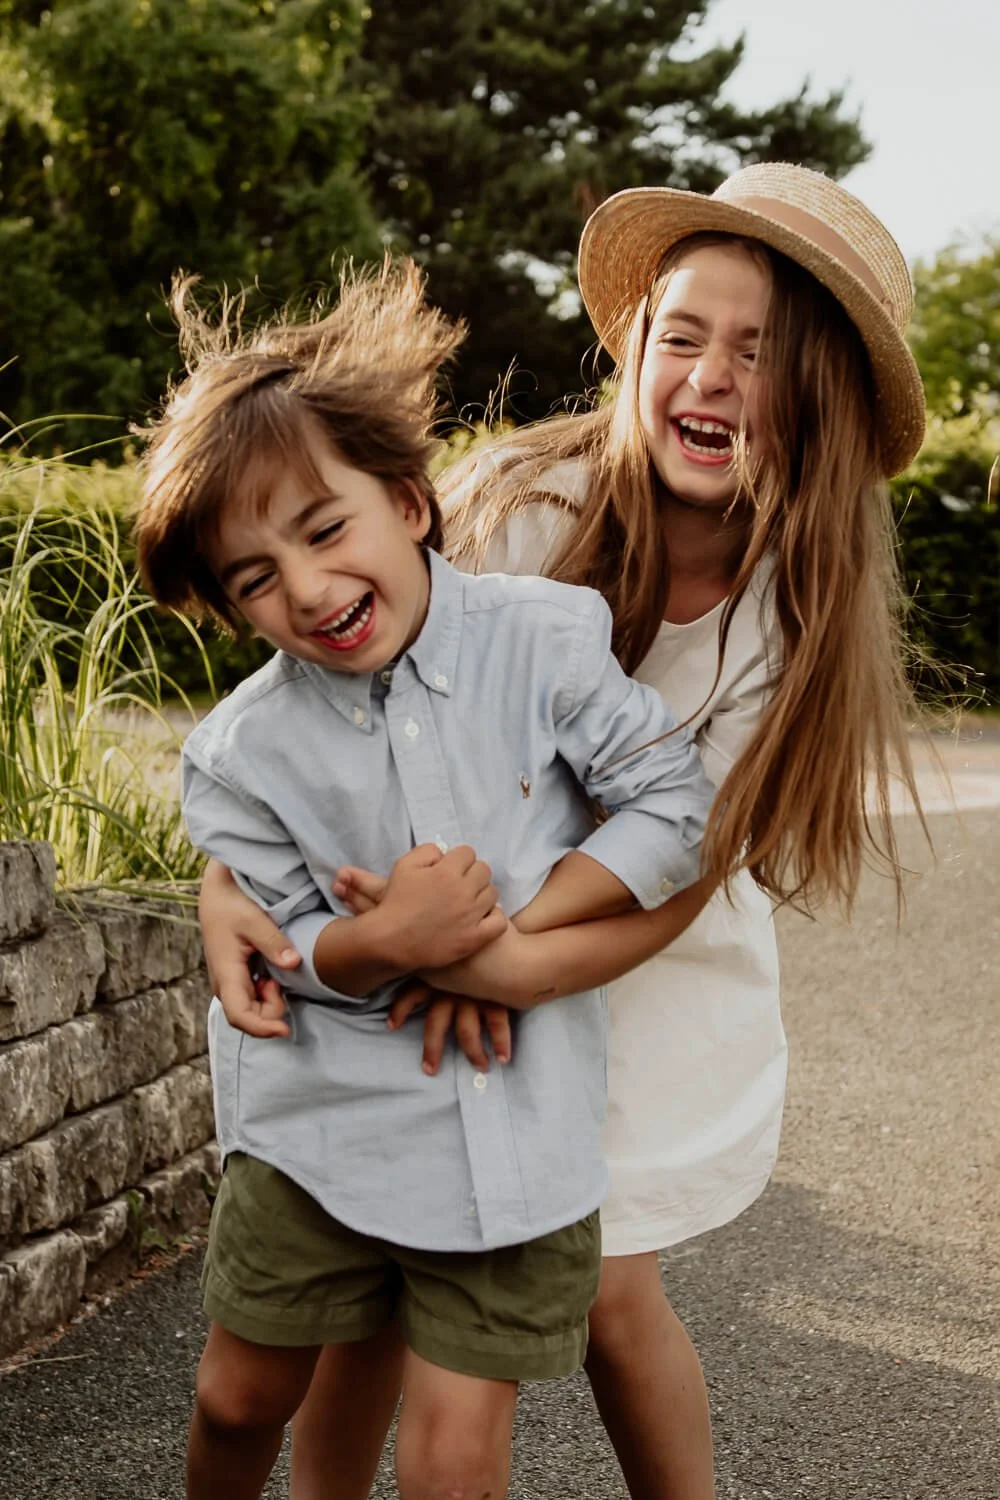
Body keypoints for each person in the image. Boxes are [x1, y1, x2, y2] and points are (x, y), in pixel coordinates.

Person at [198, 163, 929, 1500]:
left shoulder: (793, 612)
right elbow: (348, 706)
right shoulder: (528, 511)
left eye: (754, 354)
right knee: (386, 1249)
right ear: (637, 349)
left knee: (606, 1287)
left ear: (814, 397)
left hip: (634, 952)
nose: (708, 375)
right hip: (441, 894)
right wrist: (249, 878)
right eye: (683, 334)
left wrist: (512, 962)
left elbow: (692, 862)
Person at [135, 258, 720, 1500]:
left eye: (322, 527)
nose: (304, 589)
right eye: (252, 579)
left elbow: (678, 804)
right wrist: (385, 939)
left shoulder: (544, 641)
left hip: (507, 1128)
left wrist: (500, 932)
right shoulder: (241, 754)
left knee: (453, 1456)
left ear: (406, 501)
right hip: (317, 1131)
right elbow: (274, 951)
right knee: (236, 1400)